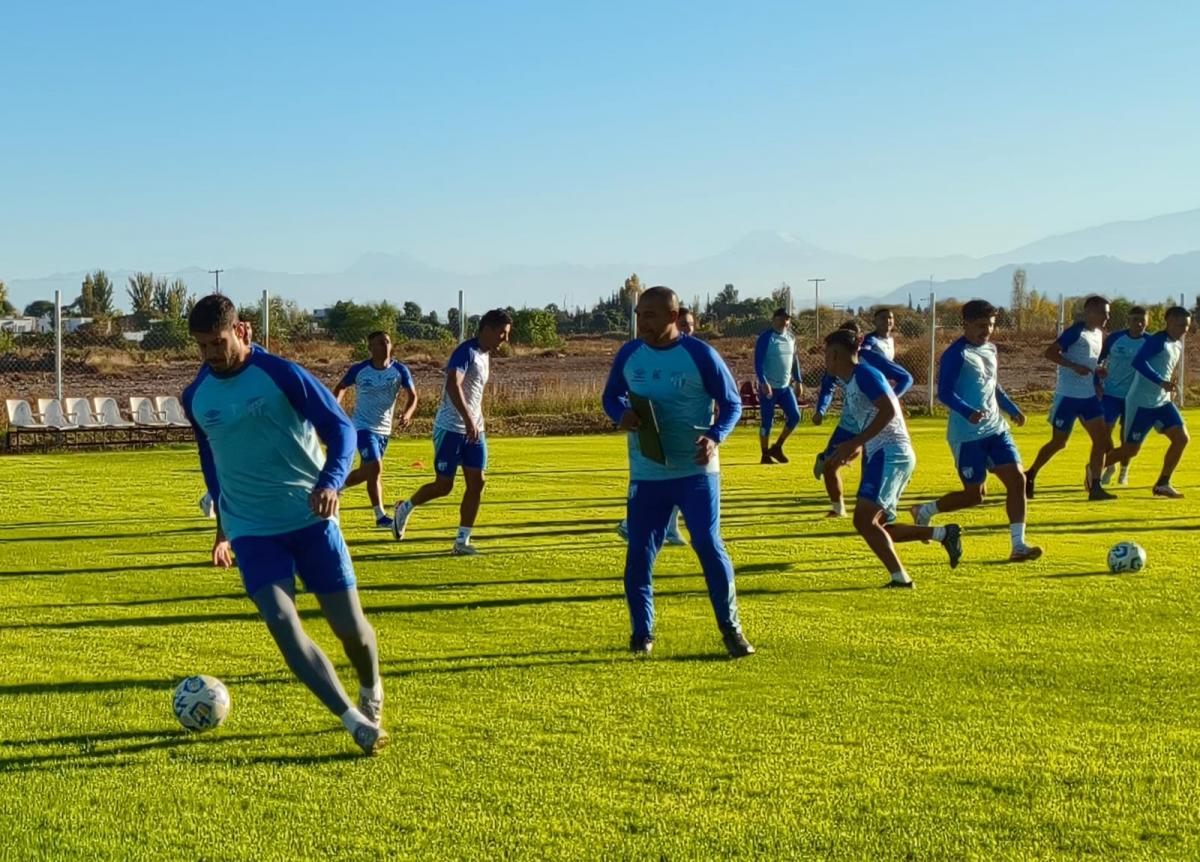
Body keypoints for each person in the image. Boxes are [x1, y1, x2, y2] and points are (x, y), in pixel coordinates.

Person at [181, 294, 387, 756]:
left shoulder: (281, 374)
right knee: (280, 619)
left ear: (240, 331)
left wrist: (331, 482)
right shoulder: (196, 396)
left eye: (217, 343)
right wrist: (222, 527)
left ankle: (370, 687)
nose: (211, 354)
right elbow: (212, 460)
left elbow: (341, 429)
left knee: (350, 629)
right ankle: (353, 720)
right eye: (202, 346)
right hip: (252, 529)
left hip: (310, 519)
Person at [602, 287, 753, 657]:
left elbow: (732, 403)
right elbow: (611, 396)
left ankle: (731, 630)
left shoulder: (700, 354)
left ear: (672, 317)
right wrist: (621, 414)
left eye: (650, 315)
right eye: (639, 314)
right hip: (647, 472)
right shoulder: (629, 354)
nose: (641, 322)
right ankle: (642, 635)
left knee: (707, 543)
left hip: (696, 471)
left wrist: (715, 437)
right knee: (640, 552)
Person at [823, 328, 962, 588]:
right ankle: (943, 534)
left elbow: (888, 411)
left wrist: (856, 442)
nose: (825, 360)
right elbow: (871, 418)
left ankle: (901, 579)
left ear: (835, 355)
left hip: (891, 452)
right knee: (879, 527)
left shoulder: (864, 374)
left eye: (826, 354)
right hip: (883, 453)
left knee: (864, 520)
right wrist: (857, 447)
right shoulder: (852, 381)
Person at [909, 300, 1043, 562]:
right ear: (966, 324)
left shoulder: (991, 349)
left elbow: (992, 385)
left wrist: (1012, 409)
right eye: (981, 325)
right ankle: (924, 511)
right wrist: (968, 411)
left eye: (991, 325)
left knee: (1017, 480)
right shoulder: (956, 354)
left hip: (996, 429)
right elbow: (944, 393)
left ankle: (1018, 545)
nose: (987, 330)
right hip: (967, 436)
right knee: (974, 496)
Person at [392, 309, 512, 555]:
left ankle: (461, 542)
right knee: (444, 486)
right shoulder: (465, 352)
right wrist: (467, 419)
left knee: (477, 483)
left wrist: (474, 422)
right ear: (488, 329)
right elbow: (452, 384)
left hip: (475, 429)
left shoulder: (485, 355)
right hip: (451, 428)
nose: (505, 339)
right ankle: (405, 507)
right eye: (502, 333)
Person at [812, 320, 912, 517]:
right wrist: (821, 410)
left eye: (827, 354)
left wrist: (887, 398)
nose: (825, 360)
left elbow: (892, 402)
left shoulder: (866, 370)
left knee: (868, 517)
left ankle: (929, 519)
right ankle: (839, 509)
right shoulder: (847, 375)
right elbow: (827, 388)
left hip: (886, 445)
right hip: (860, 429)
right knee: (867, 518)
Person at [616, 307, 695, 545]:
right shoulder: (641, 352)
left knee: (679, 476)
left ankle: (669, 526)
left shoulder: (694, 353)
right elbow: (616, 393)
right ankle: (632, 523)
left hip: (683, 434)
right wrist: (624, 413)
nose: (688, 329)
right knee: (656, 476)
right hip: (654, 430)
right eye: (683, 324)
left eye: (691, 324)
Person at [1025, 295, 1114, 501]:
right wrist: (1074, 366)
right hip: (1068, 397)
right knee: (1059, 443)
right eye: (1103, 313)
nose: (1107, 317)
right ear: (1090, 312)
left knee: (1102, 441)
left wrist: (1097, 374)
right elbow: (1050, 353)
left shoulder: (1098, 334)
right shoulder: (1075, 332)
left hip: (1089, 397)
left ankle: (1096, 486)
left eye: (1108, 313)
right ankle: (1030, 474)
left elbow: (1089, 363)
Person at [1102, 306, 1192, 498]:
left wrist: (1169, 386)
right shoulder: (1158, 341)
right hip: (1141, 403)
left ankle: (1163, 484)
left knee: (1182, 438)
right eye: (1181, 325)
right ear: (1169, 322)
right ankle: (1093, 469)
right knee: (1130, 450)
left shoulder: (1176, 344)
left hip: (1162, 403)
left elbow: (1166, 368)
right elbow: (1139, 362)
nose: (1185, 329)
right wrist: (1160, 381)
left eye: (1187, 325)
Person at [333, 331, 418, 529]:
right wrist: (335, 409)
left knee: (367, 472)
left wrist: (407, 414)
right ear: (370, 348)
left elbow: (413, 396)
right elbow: (341, 387)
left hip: (384, 430)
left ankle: (335, 487)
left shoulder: (400, 370)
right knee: (376, 467)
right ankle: (380, 517)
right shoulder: (360, 370)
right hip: (362, 427)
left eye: (387, 342)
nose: (384, 345)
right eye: (380, 343)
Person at [199, 317, 254, 519]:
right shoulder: (218, 365)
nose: (247, 331)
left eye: (249, 327)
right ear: (237, 329)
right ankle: (212, 499)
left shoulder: (261, 360)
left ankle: (214, 500)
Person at [1096, 307, 1148, 486]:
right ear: (1128, 321)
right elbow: (1098, 360)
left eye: (1142, 320)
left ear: (1147, 321)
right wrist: (1097, 380)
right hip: (1111, 394)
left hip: (1135, 398)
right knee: (1104, 431)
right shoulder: (1115, 338)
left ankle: (1124, 470)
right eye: (1135, 319)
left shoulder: (1150, 342)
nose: (1139, 323)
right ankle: (1110, 465)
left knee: (1127, 437)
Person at [754, 308, 803, 464]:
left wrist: (798, 380)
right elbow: (758, 363)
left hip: (785, 388)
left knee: (795, 416)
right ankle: (765, 454)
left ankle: (777, 447)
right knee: (767, 421)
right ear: (774, 320)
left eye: (787, 319)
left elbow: (794, 360)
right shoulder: (766, 338)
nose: (785, 322)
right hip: (769, 388)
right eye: (782, 318)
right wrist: (763, 382)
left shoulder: (791, 338)